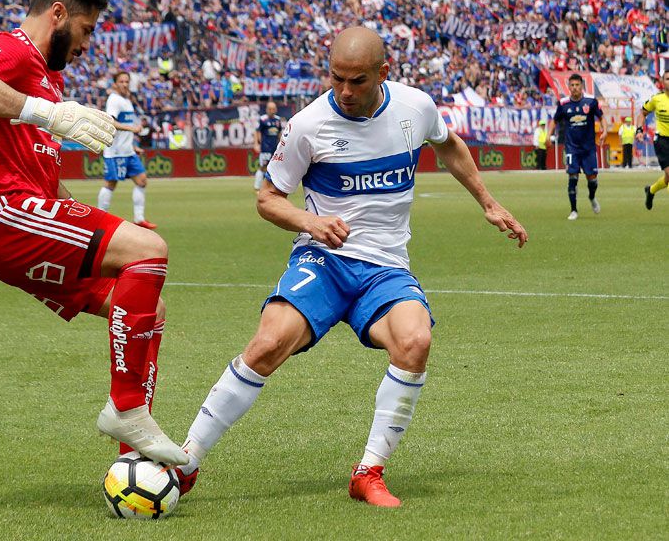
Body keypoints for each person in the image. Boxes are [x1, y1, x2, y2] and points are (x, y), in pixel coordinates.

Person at [175, 28, 527, 507]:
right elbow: (267, 199)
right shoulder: (307, 125)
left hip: (385, 268)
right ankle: (186, 460)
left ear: (384, 72)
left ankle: (369, 473)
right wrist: (309, 222)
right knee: (267, 343)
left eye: (357, 81)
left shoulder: (415, 108)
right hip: (324, 261)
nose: (344, 91)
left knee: (415, 341)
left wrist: (488, 202)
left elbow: (449, 146)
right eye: (337, 78)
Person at [0, 0, 188, 466]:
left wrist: (106, 226)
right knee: (150, 253)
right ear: (58, 13)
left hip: (21, 215)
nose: (86, 44)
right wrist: (47, 113)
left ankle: (134, 458)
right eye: (86, 29)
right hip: (0, 212)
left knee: (145, 304)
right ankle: (127, 409)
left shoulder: (49, 79)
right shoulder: (14, 49)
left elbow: (49, 186)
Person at [97, 71, 157, 229]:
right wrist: (132, 129)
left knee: (142, 180)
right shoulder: (114, 100)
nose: (124, 84)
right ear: (115, 84)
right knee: (111, 183)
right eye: (121, 82)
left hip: (128, 151)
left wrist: (133, 146)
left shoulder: (126, 100)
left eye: (126, 81)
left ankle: (139, 219)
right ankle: (99, 218)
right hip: (115, 152)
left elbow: (123, 129)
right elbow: (111, 123)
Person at [546, 73, 607, 221]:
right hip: (572, 148)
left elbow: (602, 117)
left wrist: (604, 131)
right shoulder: (563, 103)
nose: (574, 88)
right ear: (568, 87)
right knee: (572, 178)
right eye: (572, 85)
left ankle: (592, 197)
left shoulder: (590, 101)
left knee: (592, 179)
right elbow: (555, 120)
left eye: (577, 85)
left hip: (588, 148)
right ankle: (574, 210)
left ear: (582, 86)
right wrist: (548, 135)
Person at [641, 70, 669, 210]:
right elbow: (643, 112)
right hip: (663, 141)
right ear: (662, 82)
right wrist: (640, 130)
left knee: (667, 178)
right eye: (668, 79)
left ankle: (651, 190)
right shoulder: (657, 99)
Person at [252, 101, 282, 191]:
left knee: (275, 167)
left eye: (273, 109)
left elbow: (279, 133)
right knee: (263, 167)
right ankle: (257, 187)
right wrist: (256, 143)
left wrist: (282, 144)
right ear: (266, 109)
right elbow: (257, 132)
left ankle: (273, 187)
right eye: (270, 109)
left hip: (275, 148)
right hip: (265, 147)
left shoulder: (278, 120)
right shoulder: (263, 119)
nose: (272, 111)